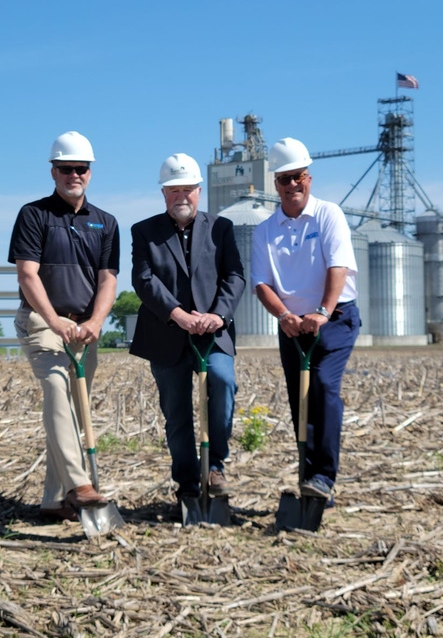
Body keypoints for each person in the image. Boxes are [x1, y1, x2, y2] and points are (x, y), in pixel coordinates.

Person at [8, 131, 119, 520]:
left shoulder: (105, 223)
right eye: (66, 168)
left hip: (84, 330)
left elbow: (108, 279)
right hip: (42, 322)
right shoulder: (34, 215)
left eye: (81, 169)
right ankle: (80, 485)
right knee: (57, 389)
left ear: (90, 172)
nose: (74, 175)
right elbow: (27, 274)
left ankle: (53, 501)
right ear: (53, 171)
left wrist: (95, 321)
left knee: (75, 407)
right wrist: (53, 320)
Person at [130, 153, 245, 503]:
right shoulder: (145, 231)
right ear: (164, 194)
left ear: (199, 190)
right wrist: (178, 315)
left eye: (188, 189)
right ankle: (188, 481)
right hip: (166, 335)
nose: (181, 196)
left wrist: (218, 315)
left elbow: (235, 275)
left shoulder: (221, 228)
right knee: (176, 412)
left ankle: (216, 466)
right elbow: (144, 279)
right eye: (173, 190)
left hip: (214, 334)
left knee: (223, 384)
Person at [251, 137, 360, 502]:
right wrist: (284, 315)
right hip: (292, 326)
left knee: (325, 389)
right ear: (276, 184)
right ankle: (308, 478)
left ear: (309, 177)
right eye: (284, 179)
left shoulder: (329, 214)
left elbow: (338, 268)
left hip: (336, 319)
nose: (292, 185)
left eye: (298, 176)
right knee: (300, 398)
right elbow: (262, 284)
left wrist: (322, 313)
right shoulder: (264, 230)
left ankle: (324, 476)